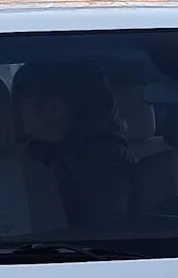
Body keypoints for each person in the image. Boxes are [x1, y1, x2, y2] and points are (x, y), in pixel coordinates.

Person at [11, 61, 132, 226]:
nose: (11, 108)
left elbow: (99, 233)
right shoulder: (37, 155)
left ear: (55, 108)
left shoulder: (100, 170)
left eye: (22, 100)